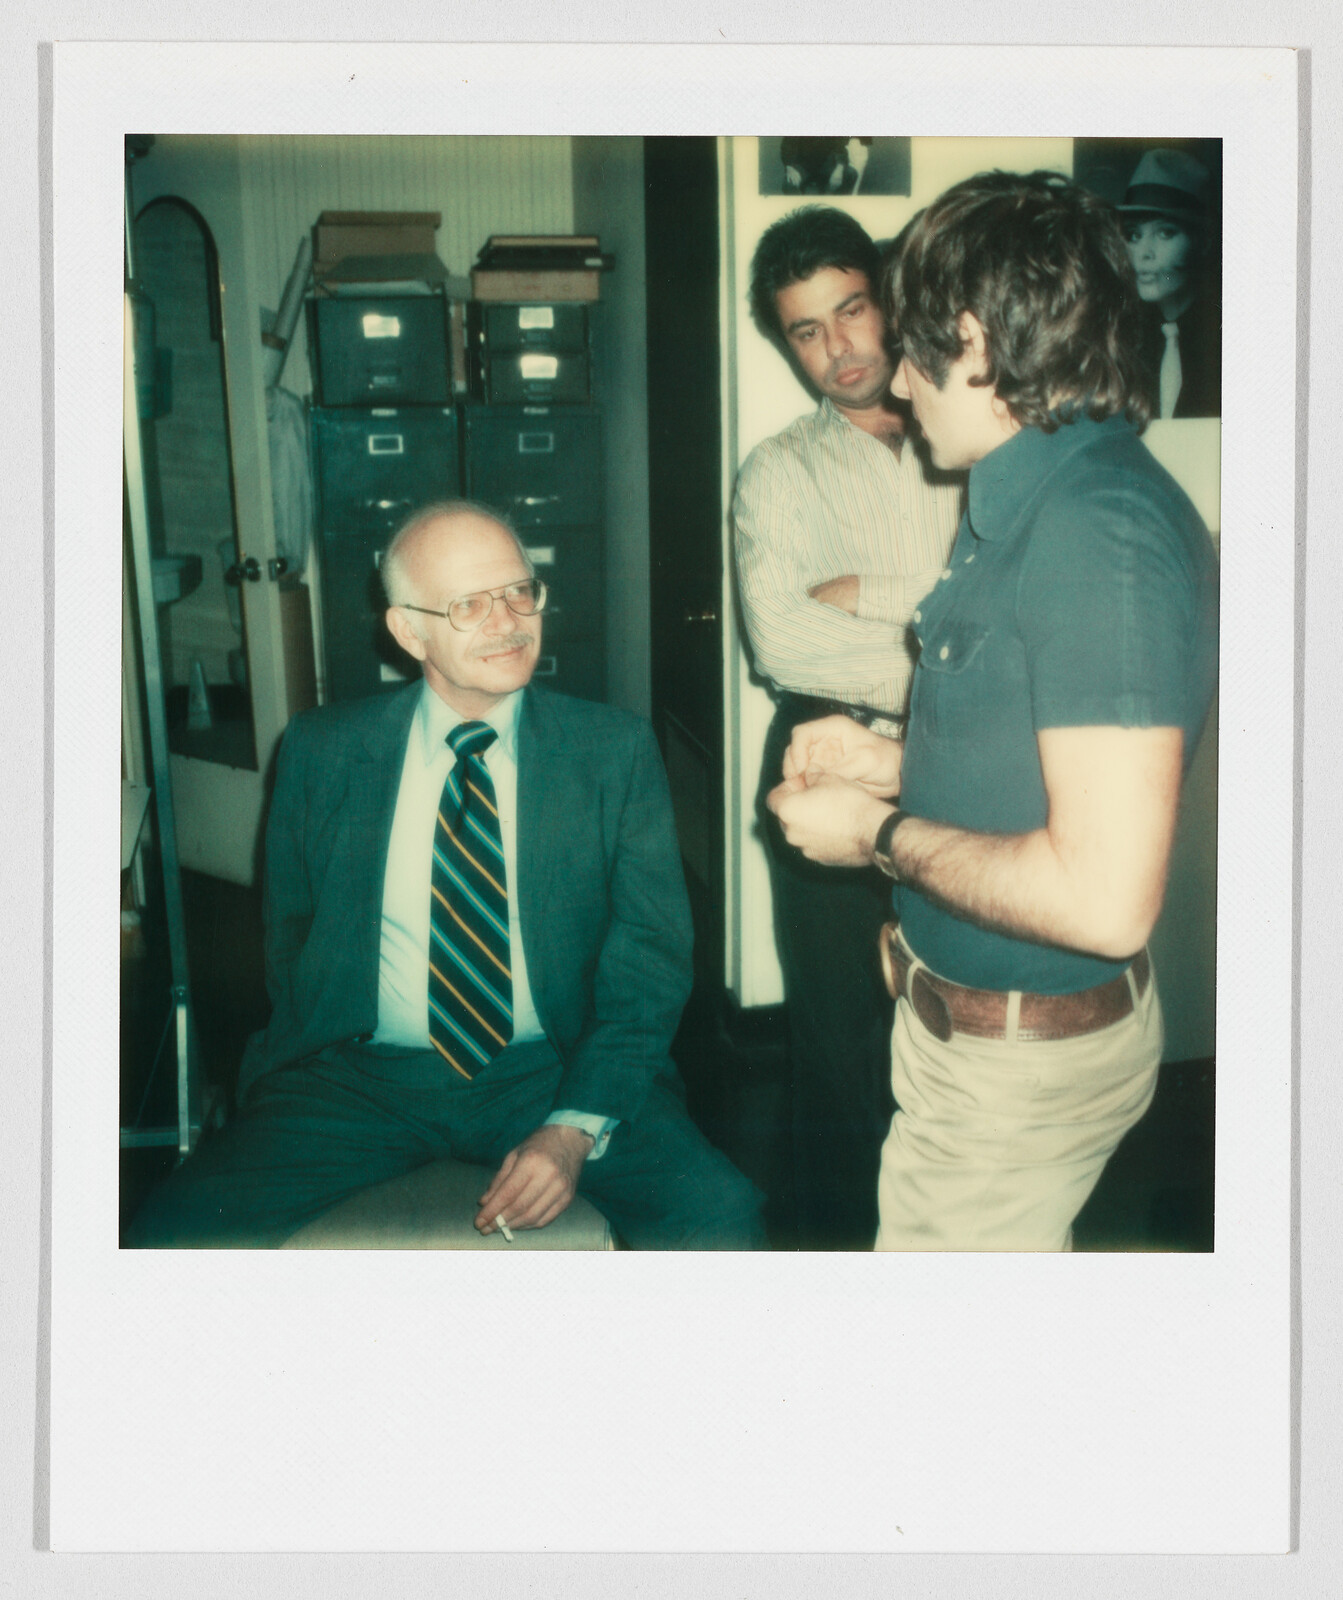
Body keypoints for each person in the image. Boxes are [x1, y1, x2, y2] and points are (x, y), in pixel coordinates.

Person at [767, 171, 1220, 1252]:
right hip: (964, 1038)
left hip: (1015, 1071)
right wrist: (888, 759)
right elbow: (1023, 747)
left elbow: (1103, 901)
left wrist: (873, 833)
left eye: (912, 348)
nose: (898, 382)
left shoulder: (1093, 533)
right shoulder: (1018, 496)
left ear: (970, 340)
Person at [127, 502, 765, 1250]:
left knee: (719, 1212)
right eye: (469, 604)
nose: (508, 621)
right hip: (357, 1080)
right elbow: (289, 938)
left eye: (519, 592)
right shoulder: (323, 752)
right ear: (408, 630)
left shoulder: (611, 754)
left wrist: (572, 1127)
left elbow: (649, 964)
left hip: (552, 1067)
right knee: (172, 1236)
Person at [734, 206, 962, 1249]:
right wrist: (957, 644)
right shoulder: (776, 472)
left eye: (850, 311)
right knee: (837, 1046)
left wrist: (869, 587)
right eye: (804, 331)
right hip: (822, 759)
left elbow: (1026, 604)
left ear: (885, 298)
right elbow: (781, 641)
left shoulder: (973, 434)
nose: (837, 350)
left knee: (957, 1020)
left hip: (962, 767)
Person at [1118, 148, 1221, 418]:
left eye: (1165, 233)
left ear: (1204, 242)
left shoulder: (1226, 342)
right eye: (1134, 235)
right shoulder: (1122, 345)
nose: (1144, 253)